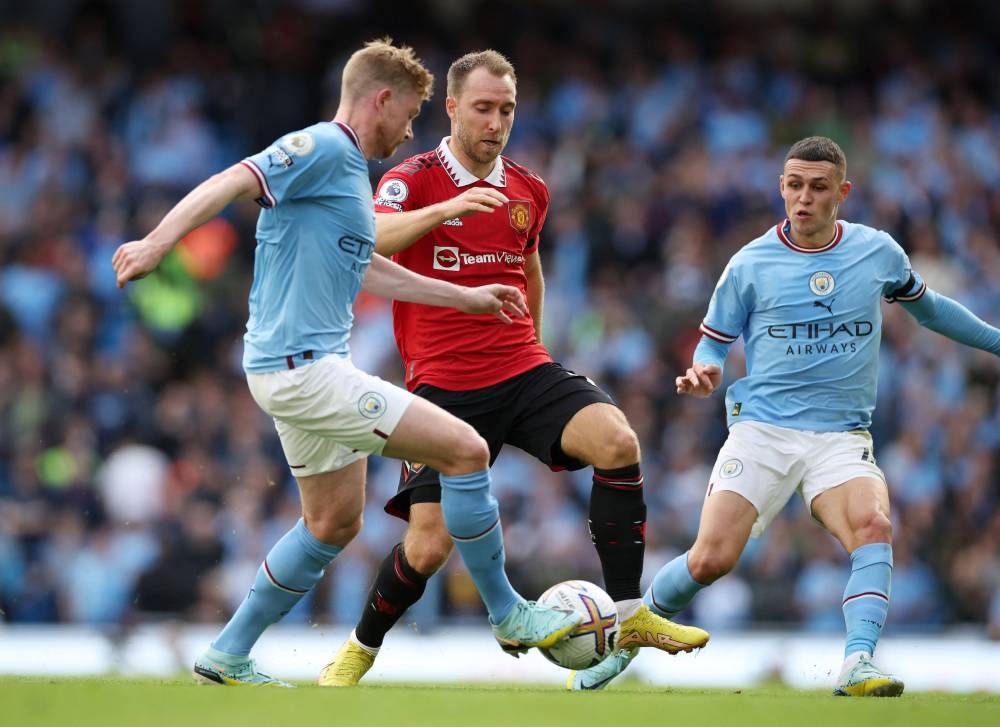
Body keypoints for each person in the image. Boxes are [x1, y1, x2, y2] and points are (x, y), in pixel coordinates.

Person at [111, 38, 582, 687]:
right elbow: (232, 179)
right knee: (467, 450)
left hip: (294, 368)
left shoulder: (345, 174)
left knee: (333, 520)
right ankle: (510, 614)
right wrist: (156, 242)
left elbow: (366, 266)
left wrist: (464, 297)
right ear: (380, 99)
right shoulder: (324, 148)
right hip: (305, 369)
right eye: (411, 113)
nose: (412, 129)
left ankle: (226, 652)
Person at [316, 49, 709, 689]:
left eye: (507, 110)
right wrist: (449, 209)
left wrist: (538, 343)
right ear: (450, 108)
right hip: (442, 386)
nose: (496, 122)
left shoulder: (529, 189)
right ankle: (360, 648)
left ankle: (631, 613)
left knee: (617, 440)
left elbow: (528, 268)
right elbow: (372, 239)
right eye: (483, 108)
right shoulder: (412, 179)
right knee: (428, 547)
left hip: (521, 367)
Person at [570, 135, 1000, 695]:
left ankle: (858, 663)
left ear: (842, 192)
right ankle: (626, 644)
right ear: (781, 187)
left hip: (841, 436)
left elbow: (932, 311)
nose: (804, 198)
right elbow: (712, 343)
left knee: (873, 526)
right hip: (763, 432)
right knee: (709, 559)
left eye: (818, 187)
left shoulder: (879, 254)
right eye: (794, 185)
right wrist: (705, 371)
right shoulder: (750, 264)